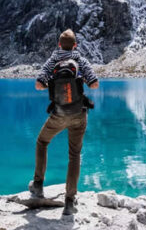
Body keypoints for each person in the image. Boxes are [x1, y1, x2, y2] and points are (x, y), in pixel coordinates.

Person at [29, 29, 99, 216]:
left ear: (59, 45)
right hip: (78, 114)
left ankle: (38, 185)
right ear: (75, 45)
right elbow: (94, 84)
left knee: (42, 142)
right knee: (74, 155)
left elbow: (38, 85)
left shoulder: (53, 61)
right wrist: (82, 79)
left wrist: (50, 84)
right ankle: (69, 202)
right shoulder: (80, 61)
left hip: (58, 114)